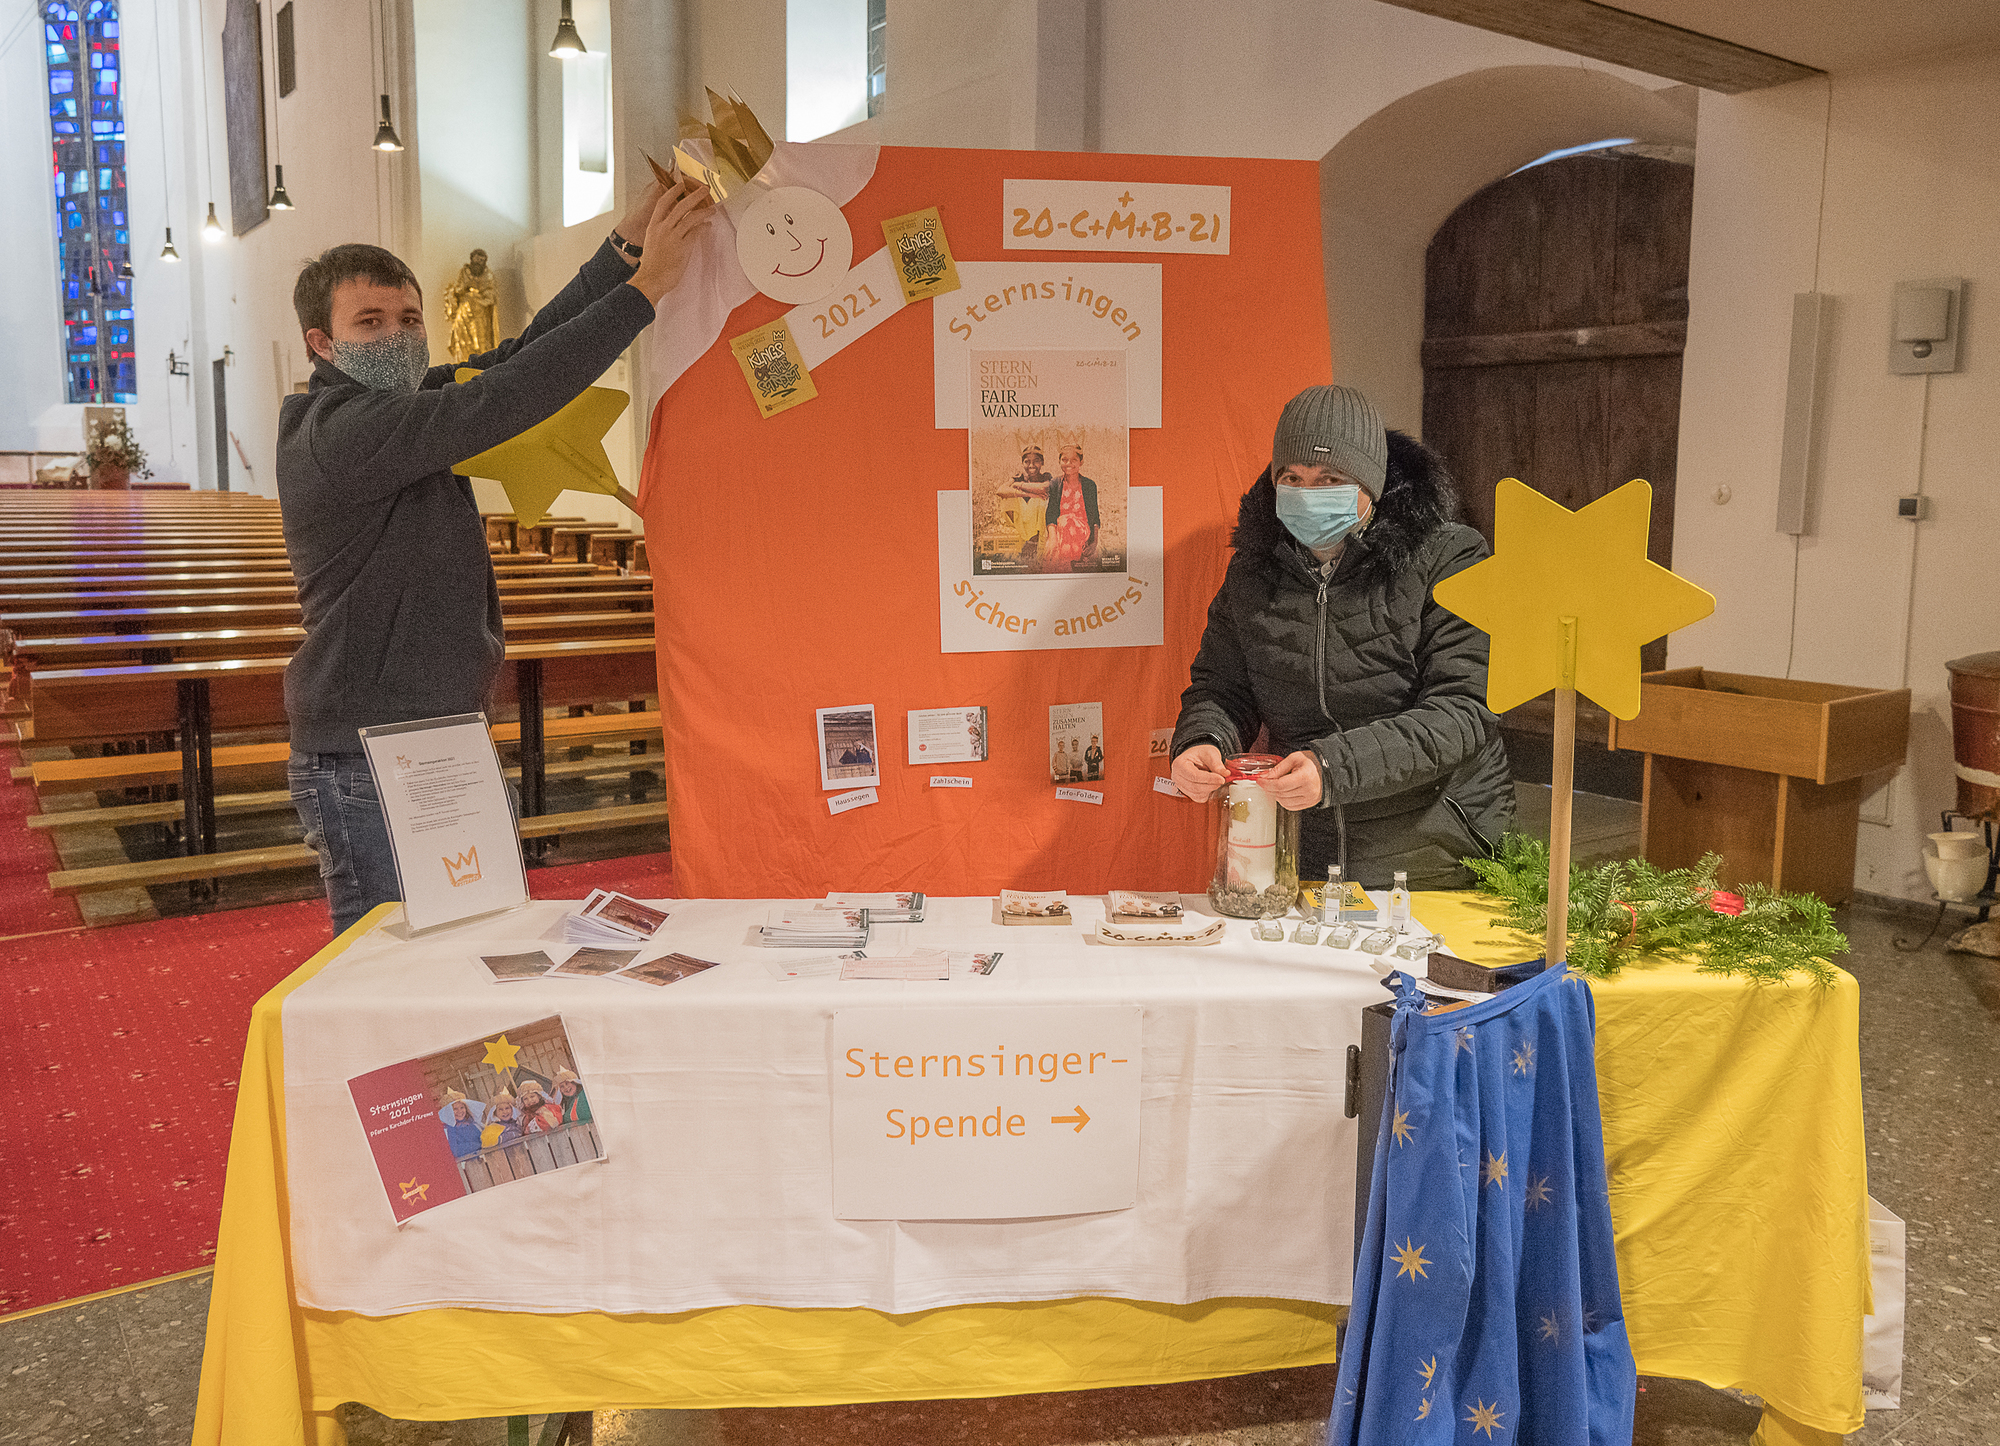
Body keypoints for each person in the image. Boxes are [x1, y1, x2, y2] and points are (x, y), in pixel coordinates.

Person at [279, 178, 713, 937]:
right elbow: (503, 398)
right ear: (323, 344)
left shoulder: (408, 410)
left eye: (409, 320)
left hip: (442, 732)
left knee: (471, 946)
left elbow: (523, 354)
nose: (398, 337)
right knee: (389, 969)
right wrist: (644, 293)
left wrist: (625, 248)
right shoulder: (339, 431)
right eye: (370, 323)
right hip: (367, 754)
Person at [1168, 385, 1513, 890]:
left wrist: (1332, 767)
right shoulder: (1252, 571)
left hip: (1435, 854)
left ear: (1370, 485)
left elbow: (1462, 710)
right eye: (1293, 478)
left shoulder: (1451, 557)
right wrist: (1202, 738)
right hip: (1308, 850)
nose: (1309, 493)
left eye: (1330, 478)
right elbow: (1223, 686)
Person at [1039, 442, 1100, 571]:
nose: (1068, 464)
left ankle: (1065, 568)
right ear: (1059, 461)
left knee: (1068, 522)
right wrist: (1053, 539)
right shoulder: (1055, 484)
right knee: (1063, 527)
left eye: (1074, 460)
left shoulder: (1089, 485)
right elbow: (1050, 514)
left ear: (1081, 462)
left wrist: (1094, 542)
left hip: (1081, 529)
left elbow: (1095, 517)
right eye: (1064, 460)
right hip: (1060, 530)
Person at [994, 443, 1054, 559]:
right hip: (1023, 520)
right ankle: (1020, 534)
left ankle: (1038, 541)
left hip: (1038, 521)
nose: (1031, 465)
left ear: (1042, 462)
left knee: (1042, 501)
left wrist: (1018, 485)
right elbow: (1000, 490)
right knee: (1008, 498)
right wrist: (1029, 493)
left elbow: (1044, 488)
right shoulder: (1019, 476)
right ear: (1022, 463)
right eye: (1027, 462)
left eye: (1036, 461)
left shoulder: (1046, 476)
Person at [441, 248, 498, 362]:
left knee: (481, 344)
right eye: (475, 261)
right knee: (463, 343)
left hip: (480, 317)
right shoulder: (464, 272)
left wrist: (478, 296)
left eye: (480, 261)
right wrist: (463, 289)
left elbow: (491, 295)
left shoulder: (488, 275)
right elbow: (457, 290)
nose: (477, 264)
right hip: (464, 314)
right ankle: (462, 364)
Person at [438, 1090, 486, 1159]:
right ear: (449, 1111)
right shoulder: (448, 1130)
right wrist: (479, 1145)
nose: (459, 1111)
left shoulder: (474, 1124)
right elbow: (455, 1150)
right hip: (466, 1166)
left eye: (462, 1107)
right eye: (455, 1109)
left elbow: (485, 1137)